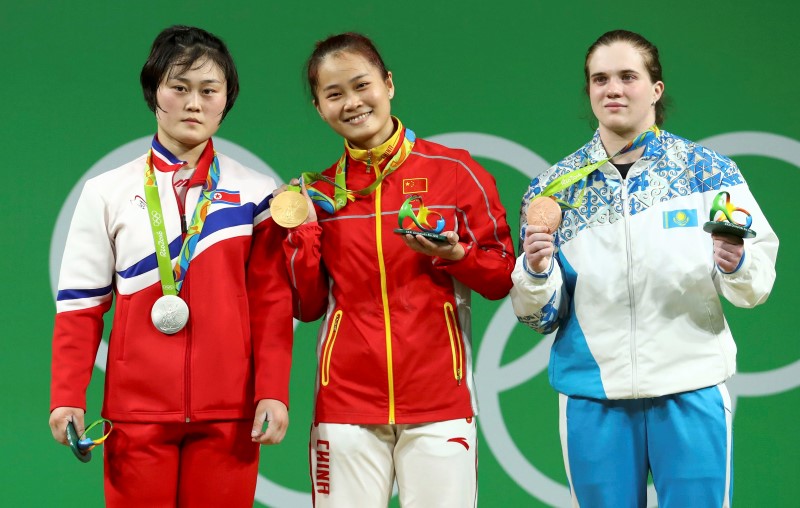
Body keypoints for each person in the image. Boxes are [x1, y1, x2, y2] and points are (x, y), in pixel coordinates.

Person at [510, 29, 779, 507]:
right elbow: (539, 317)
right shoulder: (553, 189)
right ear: (590, 92)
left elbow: (753, 287)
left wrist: (736, 266)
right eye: (600, 79)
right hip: (593, 394)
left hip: (690, 385)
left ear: (655, 89)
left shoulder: (707, 172)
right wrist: (534, 271)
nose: (613, 88)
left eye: (627, 76)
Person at [48, 25, 293, 507]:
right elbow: (81, 304)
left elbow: (272, 303)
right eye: (179, 88)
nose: (194, 104)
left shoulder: (257, 193)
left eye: (209, 90)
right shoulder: (106, 192)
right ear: (154, 94)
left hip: (229, 415)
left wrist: (273, 392)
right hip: (135, 415)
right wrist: (66, 395)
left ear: (226, 100)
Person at [280, 32, 515, 507]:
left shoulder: (456, 171)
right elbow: (306, 307)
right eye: (334, 94)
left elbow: (500, 278)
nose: (352, 103)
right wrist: (303, 235)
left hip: (439, 401)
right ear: (319, 107)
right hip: (345, 404)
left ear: (388, 84)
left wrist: (455, 257)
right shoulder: (317, 194)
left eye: (361, 85)